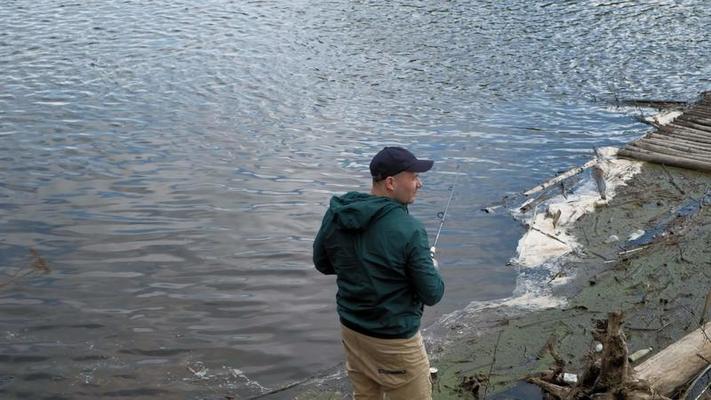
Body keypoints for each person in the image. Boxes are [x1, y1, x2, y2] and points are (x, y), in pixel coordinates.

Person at [313, 146, 445, 399]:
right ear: (391, 183)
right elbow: (432, 294)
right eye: (414, 176)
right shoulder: (411, 230)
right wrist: (431, 268)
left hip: (352, 330)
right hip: (395, 341)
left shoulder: (337, 213)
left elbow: (323, 263)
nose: (420, 184)